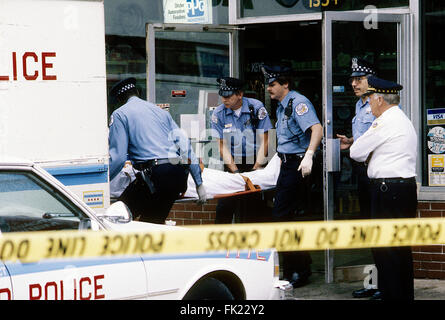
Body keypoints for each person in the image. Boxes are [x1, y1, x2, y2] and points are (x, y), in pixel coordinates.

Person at [350, 75, 417, 300]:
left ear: (380, 99)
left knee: (386, 250)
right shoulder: (401, 119)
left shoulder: (384, 121)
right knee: (400, 249)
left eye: (370, 98)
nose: (368, 103)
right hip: (402, 190)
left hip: (388, 191)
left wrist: (361, 147)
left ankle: (392, 296)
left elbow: (356, 152)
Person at [108, 77, 207, 224]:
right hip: (177, 175)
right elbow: (185, 146)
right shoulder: (160, 112)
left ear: (120, 99)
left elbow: (118, 157)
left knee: (115, 218)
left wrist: (102, 181)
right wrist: (199, 184)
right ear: (138, 92)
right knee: (152, 225)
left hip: (155, 176)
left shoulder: (120, 114)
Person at [262, 65, 323, 288]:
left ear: (285, 84)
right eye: (268, 84)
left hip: (298, 165)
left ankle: (297, 270)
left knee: (284, 217)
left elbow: (317, 129)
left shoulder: (298, 103)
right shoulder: (281, 106)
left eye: (273, 84)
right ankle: (297, 266)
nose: (269, 88)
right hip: (286, 163)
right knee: (286, 218)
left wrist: (308, 156)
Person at [336, 57, 381, 299]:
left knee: (379, 227)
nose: (354, 83)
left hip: (377, 172)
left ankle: (385, 283)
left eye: (359, 79)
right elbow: (367, 137)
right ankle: (374, 282)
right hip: (362, 171)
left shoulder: (378, 104)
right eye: (353, 79)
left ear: (371, 80)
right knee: (369, 227)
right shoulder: (360, 104)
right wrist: (352, 142)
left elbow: (382, 138)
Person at [211, 77, 273, 224]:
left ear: (240, 94)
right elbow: (221, 145)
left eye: (228, 96)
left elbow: (266, 138)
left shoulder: (256, 107)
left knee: (253, 205)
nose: (224, 99)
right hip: (232, 161)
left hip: (255, 160)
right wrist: (235, 172)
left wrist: (256, 167)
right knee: (225, 204)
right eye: (222, 96)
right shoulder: (218, 114)